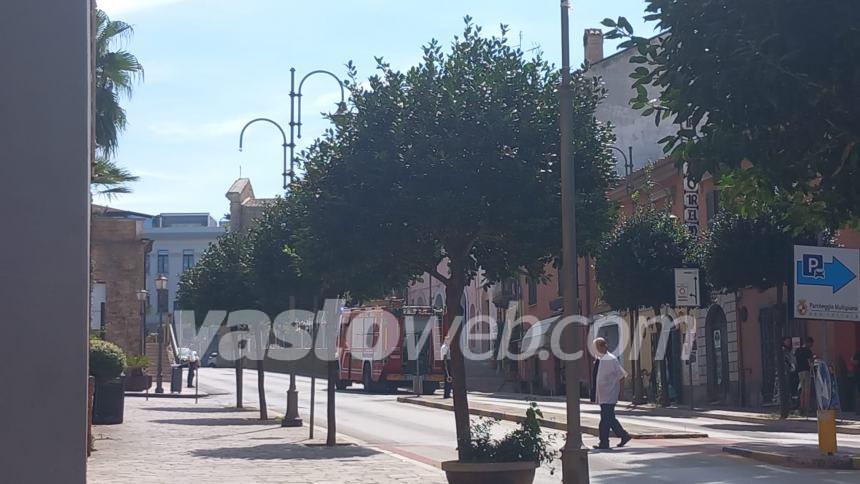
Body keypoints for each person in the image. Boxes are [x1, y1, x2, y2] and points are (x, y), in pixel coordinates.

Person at [593, 337, 631, 449]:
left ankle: (604, 442)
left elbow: (621, 375)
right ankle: (624, 435)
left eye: (597, 347)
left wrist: (621, 392)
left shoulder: (610, 359)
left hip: (610, 394)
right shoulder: (601, 359)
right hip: (603, 395)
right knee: (610, 418)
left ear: (603, 346)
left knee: (605, 420)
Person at [795, 337, 815, 415]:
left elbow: (795, 360)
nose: (811, 345)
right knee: (807, 390)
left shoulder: (798, 350)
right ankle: (807, 408)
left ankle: (801, 407)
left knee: (802, 390)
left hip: (799, 371)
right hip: (806, 371)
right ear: (808, 343)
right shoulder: (808, 351)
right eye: (811, 344)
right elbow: (810, 362)